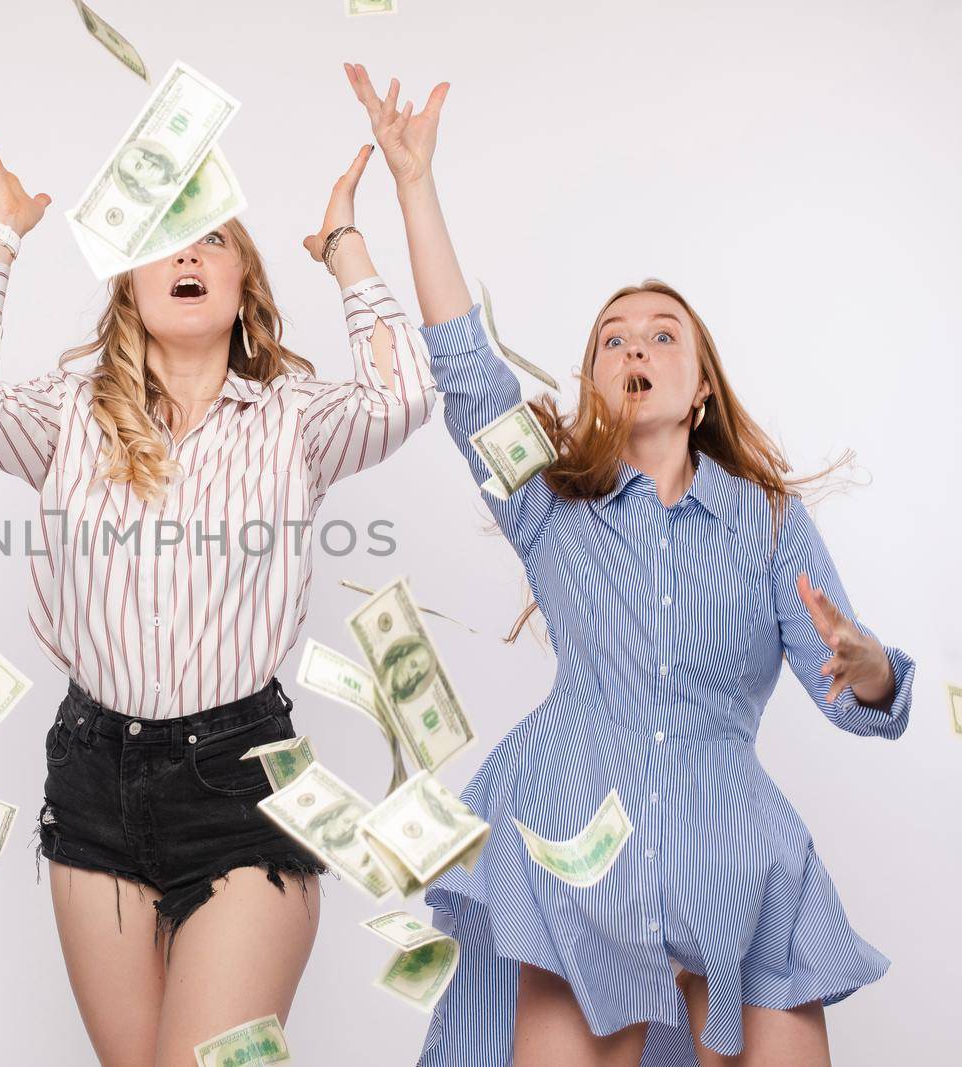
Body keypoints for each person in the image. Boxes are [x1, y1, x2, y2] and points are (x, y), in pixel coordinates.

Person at [340, 62, 915, 1067]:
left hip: (735, 852)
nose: (633, 346)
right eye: (611, 339)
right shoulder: (545, 502)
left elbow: (852, 687)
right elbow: (467, 371)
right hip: (574, 838)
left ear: (697, 387)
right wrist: (413, 186)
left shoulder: (769, 521)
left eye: (660, 334)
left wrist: (867, 665)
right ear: (595, 381)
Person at [0, 109, 440, 1065]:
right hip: (92, 778)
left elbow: (406, 395)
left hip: (243, 778)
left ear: (245, 284)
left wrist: (348, 251)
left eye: (211, 238)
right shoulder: (71, 414)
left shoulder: (294, 417)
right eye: (162, 242)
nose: (188, 254)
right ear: (129, 285)